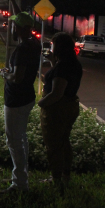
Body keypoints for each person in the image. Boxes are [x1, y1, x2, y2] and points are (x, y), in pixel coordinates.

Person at [0, 0, 41, 193]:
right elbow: (21, 18)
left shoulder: (23, 50)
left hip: (16, 100)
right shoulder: (34, 43)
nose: (11, 26)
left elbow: (17, 77)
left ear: (22, 29)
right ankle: (21, 178)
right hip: (26, 98)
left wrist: (4, 74)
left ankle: (19, 183)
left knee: (14, 140)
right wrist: (14, 1)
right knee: (21, 139)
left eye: (14, 25)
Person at [38, 32, 82, 189]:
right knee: (64, 142)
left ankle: (56, 180)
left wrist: (42, 103)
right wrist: (53, 62)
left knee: (54, 145)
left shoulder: (63, 67)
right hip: (70, 106)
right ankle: (65, 176)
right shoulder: (72, 63)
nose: (51, 47)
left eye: (53, 44)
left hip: (57, 109)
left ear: (60, 47)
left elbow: (57, 92)